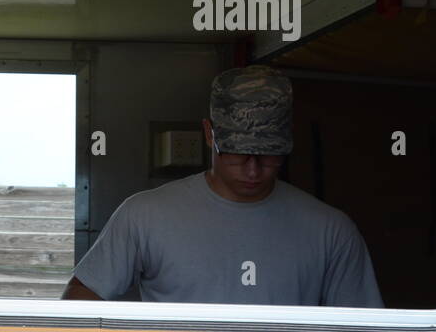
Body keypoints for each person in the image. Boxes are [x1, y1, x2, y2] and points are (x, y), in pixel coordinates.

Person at [61, 65, 383, 307]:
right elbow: (80, 300)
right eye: (237, 153)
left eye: (269, 154)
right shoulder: (144, 216)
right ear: (208, 133)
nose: (253, 169)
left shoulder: (331, 230)